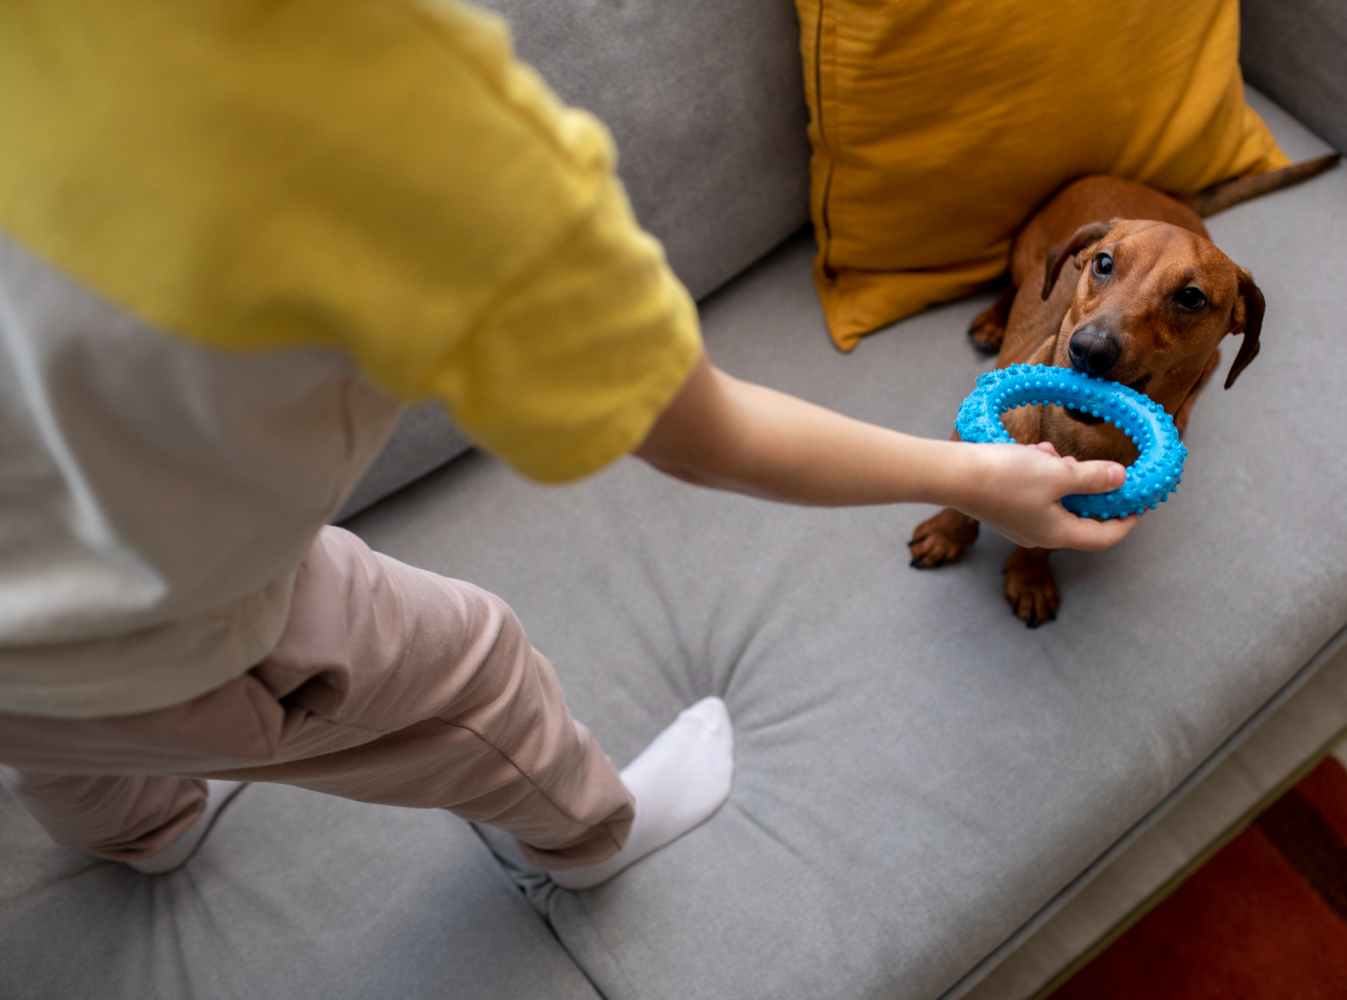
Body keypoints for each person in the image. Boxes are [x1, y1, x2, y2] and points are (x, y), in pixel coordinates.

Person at [0, 0, 1134, 886]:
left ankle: (139, 828)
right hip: (148, 611)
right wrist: (978, 474)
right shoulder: (418, 127)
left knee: (54, 732)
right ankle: (588, 840)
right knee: (470, 662)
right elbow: (701, 430)